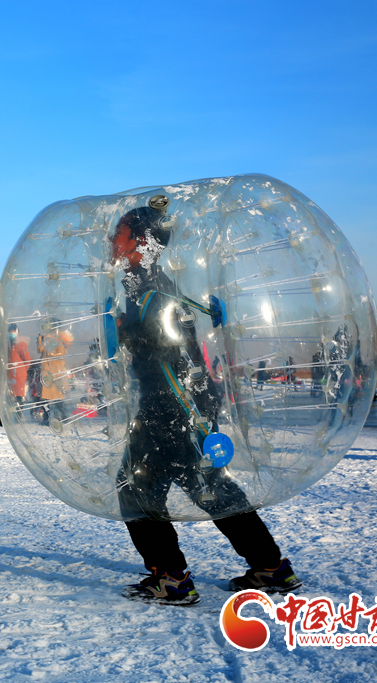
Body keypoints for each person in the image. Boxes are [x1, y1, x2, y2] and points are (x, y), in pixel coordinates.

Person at [109, 206, 300, 606]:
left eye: (120, 233)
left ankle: (171, 578)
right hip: (185, 404)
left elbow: (170, 349)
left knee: (136, 486)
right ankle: (270, 567)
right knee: (208, 486)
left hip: (169, 406)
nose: (113, 241)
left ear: (141, 243)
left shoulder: (150, 289)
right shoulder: (147, 285)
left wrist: (126, 334)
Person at [37, 325, 71, 427]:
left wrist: (50, 350)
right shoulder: (45, 341)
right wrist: (41, 340)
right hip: (46, 372)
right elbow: (39, 349)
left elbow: (61, 354)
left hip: (56, 372)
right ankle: (47, 418)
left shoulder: (58, 340)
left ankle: (64, 417)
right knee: (45, 397)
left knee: (58, 397)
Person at [7, 323, 31, 416]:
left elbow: (27, 360)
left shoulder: (20, 343)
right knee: (10, 395)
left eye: (13, 331)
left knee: (19, 395)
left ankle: (18, 414)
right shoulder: (8, 344)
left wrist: (22, 370)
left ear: (17, 332)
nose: (12, 333)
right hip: (10, 374)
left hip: (19, 374)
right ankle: (12, 415)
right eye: (10, 331)